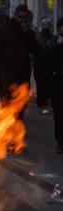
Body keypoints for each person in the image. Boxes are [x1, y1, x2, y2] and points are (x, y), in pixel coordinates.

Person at [0, 4, 41, 119]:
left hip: (23, 76)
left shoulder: (28, 33)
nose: (22, 21)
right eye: (20, 18)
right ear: (15, 16)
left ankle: (15, 131)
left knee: (20, 107)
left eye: (24, 18)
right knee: (7, 105)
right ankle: (6, 130)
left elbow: (36, 50)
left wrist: (28, 34)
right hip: (7, 76)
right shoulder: (3, 31)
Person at [47, 18, 63, 153]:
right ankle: (60, 142)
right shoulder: (53, 42)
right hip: (57, 85)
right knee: (58, 115)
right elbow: (48, 59)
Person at [34, 18, 55, 115]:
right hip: (39, 65)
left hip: (50, 65)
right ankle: (42, 104)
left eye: (48, 26)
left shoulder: (53, 38)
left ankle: (46, 103)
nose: (46, 28)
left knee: (49, 85)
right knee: (41, 85)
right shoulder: (38, 38)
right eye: (44, 26)